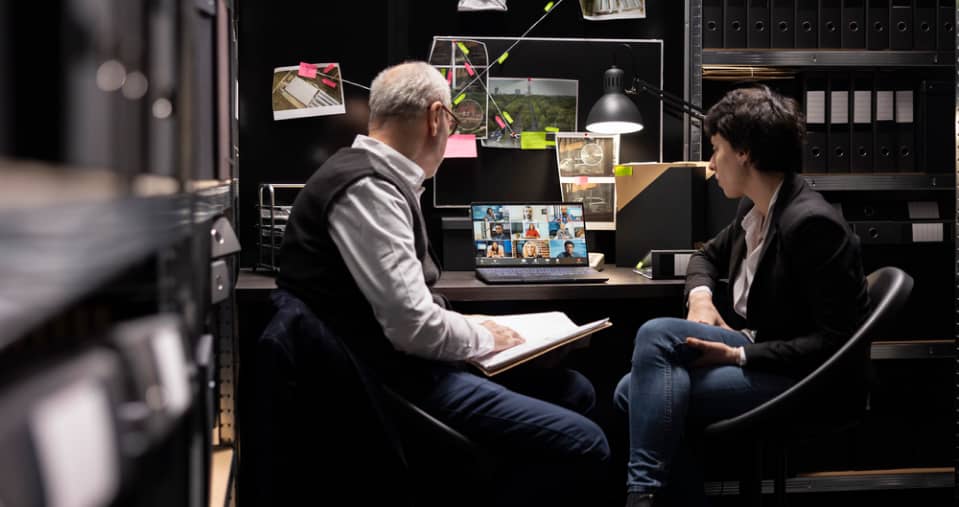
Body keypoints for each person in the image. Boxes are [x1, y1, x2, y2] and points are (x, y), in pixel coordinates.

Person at [275, 61, 609, 506]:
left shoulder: (374, 177)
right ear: (436, 118)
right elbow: (412, 327)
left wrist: (475, 326)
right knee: (588, 444)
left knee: (575, 389)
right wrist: (484, 337)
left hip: (395, 366)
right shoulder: (369, 189)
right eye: (452, 121)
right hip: (392, 386)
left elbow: (401, 308)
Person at [613, 85, 869, 507]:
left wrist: (738, 356)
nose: (712, 164)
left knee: (642, 374)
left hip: (809, 380)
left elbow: (835, 343)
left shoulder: (812, 225)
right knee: (638, 383)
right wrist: (701, 299)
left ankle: (643, 496)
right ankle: (649, 497)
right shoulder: (755, 208)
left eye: (717, 149)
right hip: (764, 350)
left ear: (745, 152)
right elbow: (706, 256)